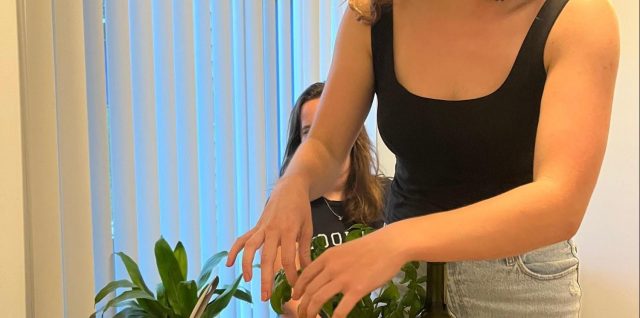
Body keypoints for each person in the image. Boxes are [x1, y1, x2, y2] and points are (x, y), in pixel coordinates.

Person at [227, 0, 619, 317]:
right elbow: (326, 146)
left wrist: (398, 240)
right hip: (405, 280)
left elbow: (560, 201)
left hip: (519, 285)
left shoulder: (577, 18)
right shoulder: (372, 13)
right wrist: (291, 184)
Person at [275, 82, 386, 317]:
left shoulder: (389, 193)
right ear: (299, 144)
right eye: (308, 132)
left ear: (352, 132)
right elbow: (289, 297)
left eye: (328, 127)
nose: (320, 140)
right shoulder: (288, 206)